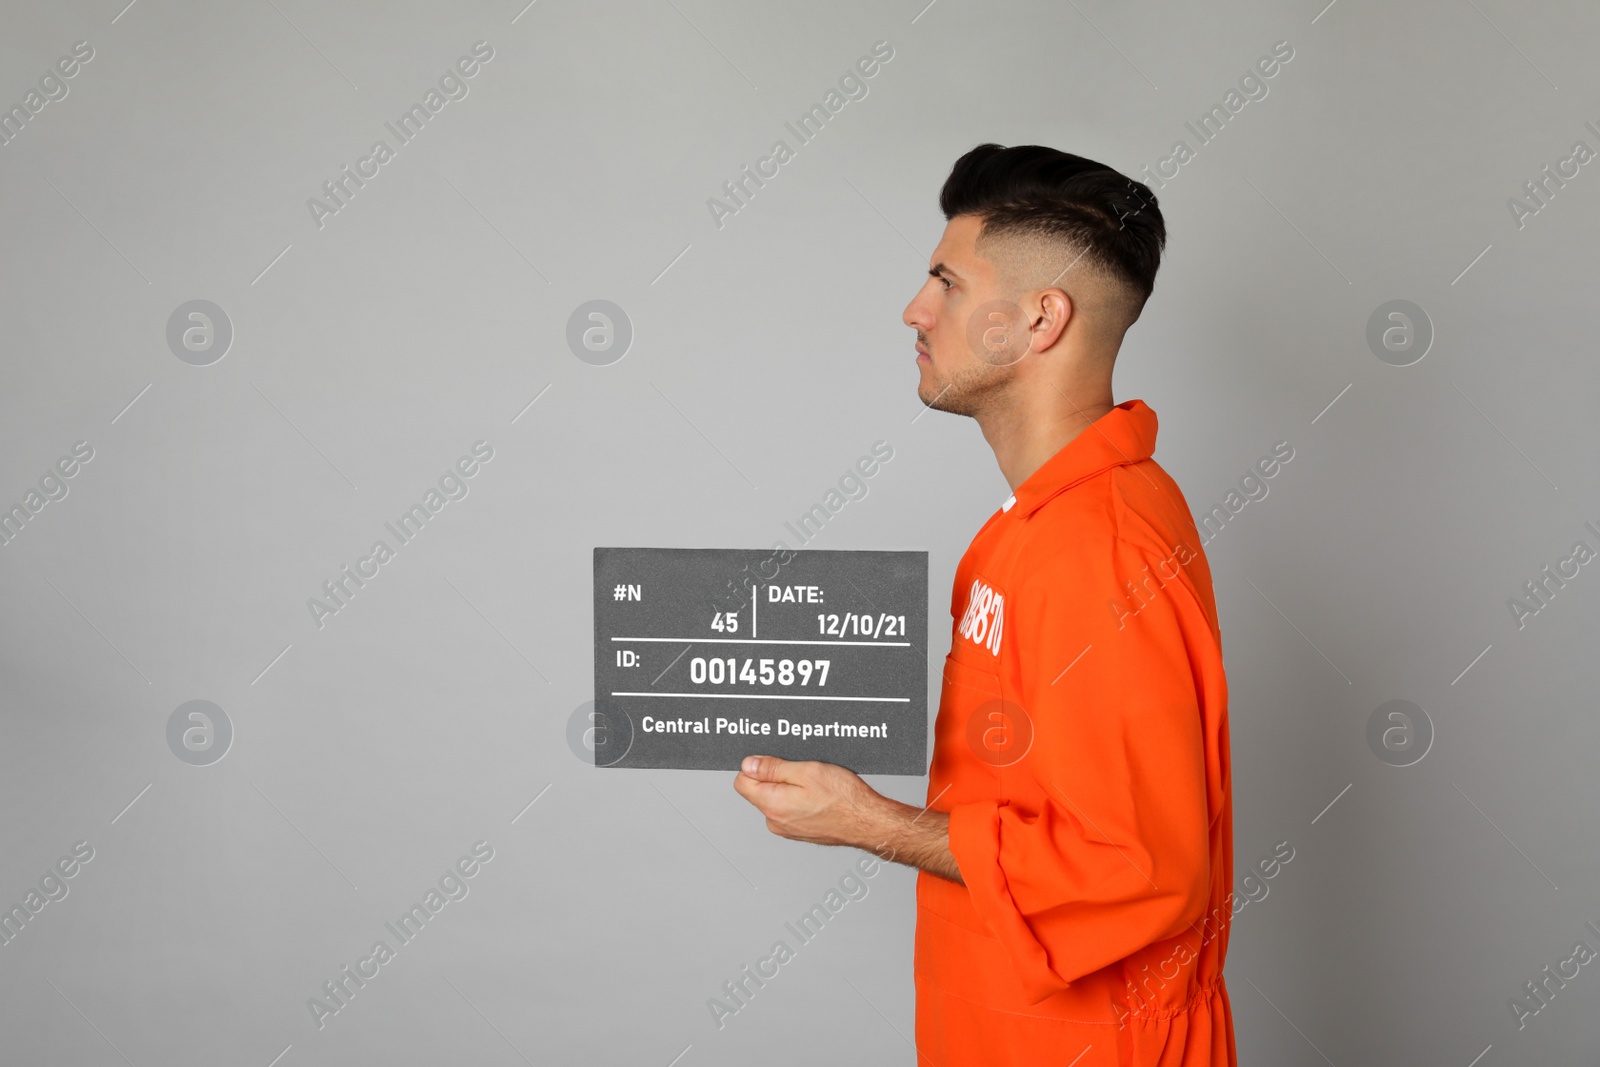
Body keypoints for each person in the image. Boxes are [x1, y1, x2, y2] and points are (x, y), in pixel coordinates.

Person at [733, 143, 1235, 1065]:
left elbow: (1143, 869)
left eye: (948, 284)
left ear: (1042, 319)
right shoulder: (1032, 523)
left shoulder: (1101, 547)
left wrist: (871, 823)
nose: (915, 310)